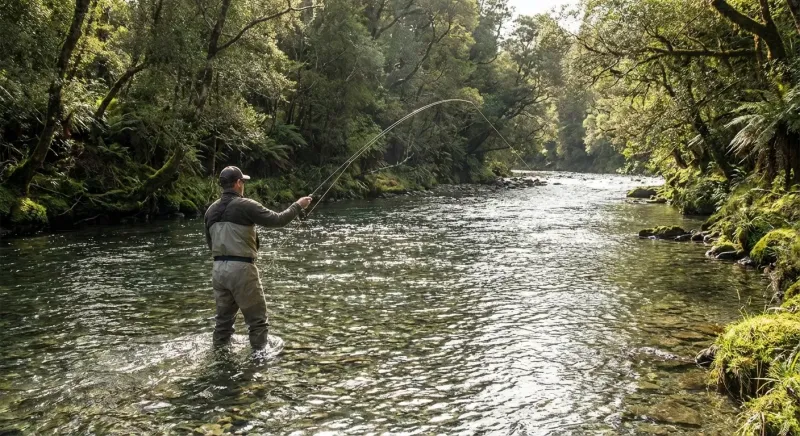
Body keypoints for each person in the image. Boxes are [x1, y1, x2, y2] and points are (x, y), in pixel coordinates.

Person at [204, 166, 312, 350]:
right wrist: (298, 205)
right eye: (243, 182)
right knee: (257, 322)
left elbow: (210, 243)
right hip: (242, 270)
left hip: (218, 271)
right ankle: (259, 362)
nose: (243, 185)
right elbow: (277, 220)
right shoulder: (246, 205)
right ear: (238, 183)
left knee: (223, 324)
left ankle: (220, 357)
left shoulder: (210, 211)